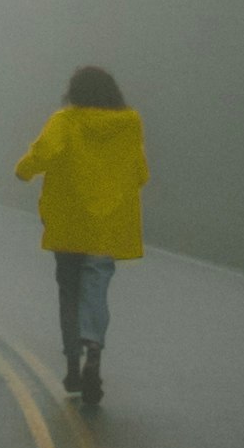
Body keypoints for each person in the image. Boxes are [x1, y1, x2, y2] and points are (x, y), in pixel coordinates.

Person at [13, 63, 147, 411]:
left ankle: (73, 366)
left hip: (69, 223)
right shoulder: (130, 123)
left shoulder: (65, 121)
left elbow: (42, 154)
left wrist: (23, 171)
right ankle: (94, 348)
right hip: (106, 229)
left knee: (69, 292)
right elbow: (141, 172)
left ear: (74, 92)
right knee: (96, 289)